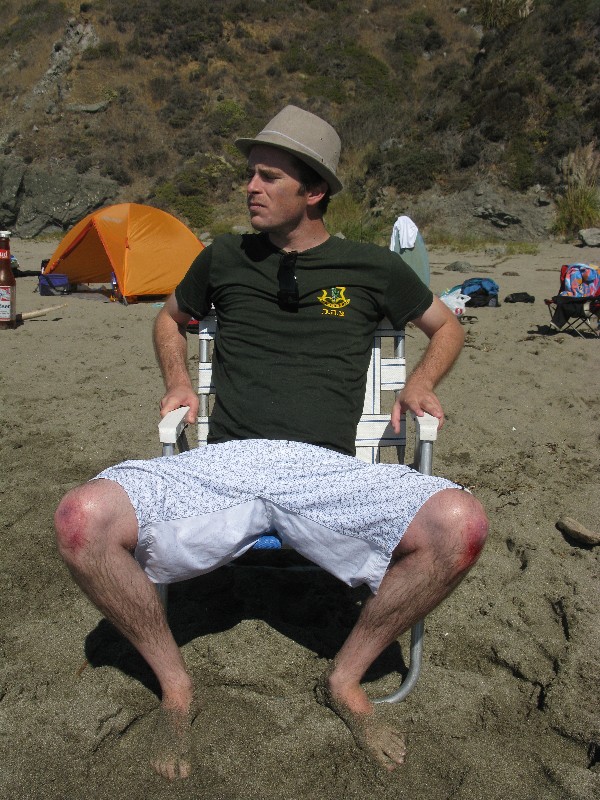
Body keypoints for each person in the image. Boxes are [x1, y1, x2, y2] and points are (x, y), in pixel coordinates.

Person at [55, 105, 488, 779]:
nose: (250, 187)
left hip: (323, 472)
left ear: (313, 191)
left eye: (268, 177)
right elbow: (170, 320)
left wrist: (421, 383)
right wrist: (178, 382)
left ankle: (346, 676)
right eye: (250, 174)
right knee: (80, 520)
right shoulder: (224, 256)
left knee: (461, 524)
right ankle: (175, 683)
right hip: (225, 464)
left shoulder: (371, 266)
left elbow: (448, 326)